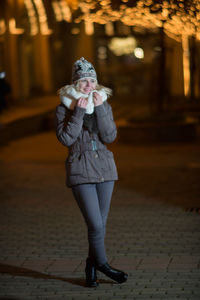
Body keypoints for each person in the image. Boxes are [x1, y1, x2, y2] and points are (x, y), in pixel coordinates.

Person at [55, 57, 128, 287]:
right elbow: (66, 138)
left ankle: (91, 265)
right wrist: (78, 112)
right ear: (75, 85)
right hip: (80, 170)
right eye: (84, 81)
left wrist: (100, 109)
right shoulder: (63, 109)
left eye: (92, 80)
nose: (88, 85)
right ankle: (104, 265)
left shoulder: (103, 104)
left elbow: (109, 137)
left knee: (99, 225)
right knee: (95, 225)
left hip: (106, 170)